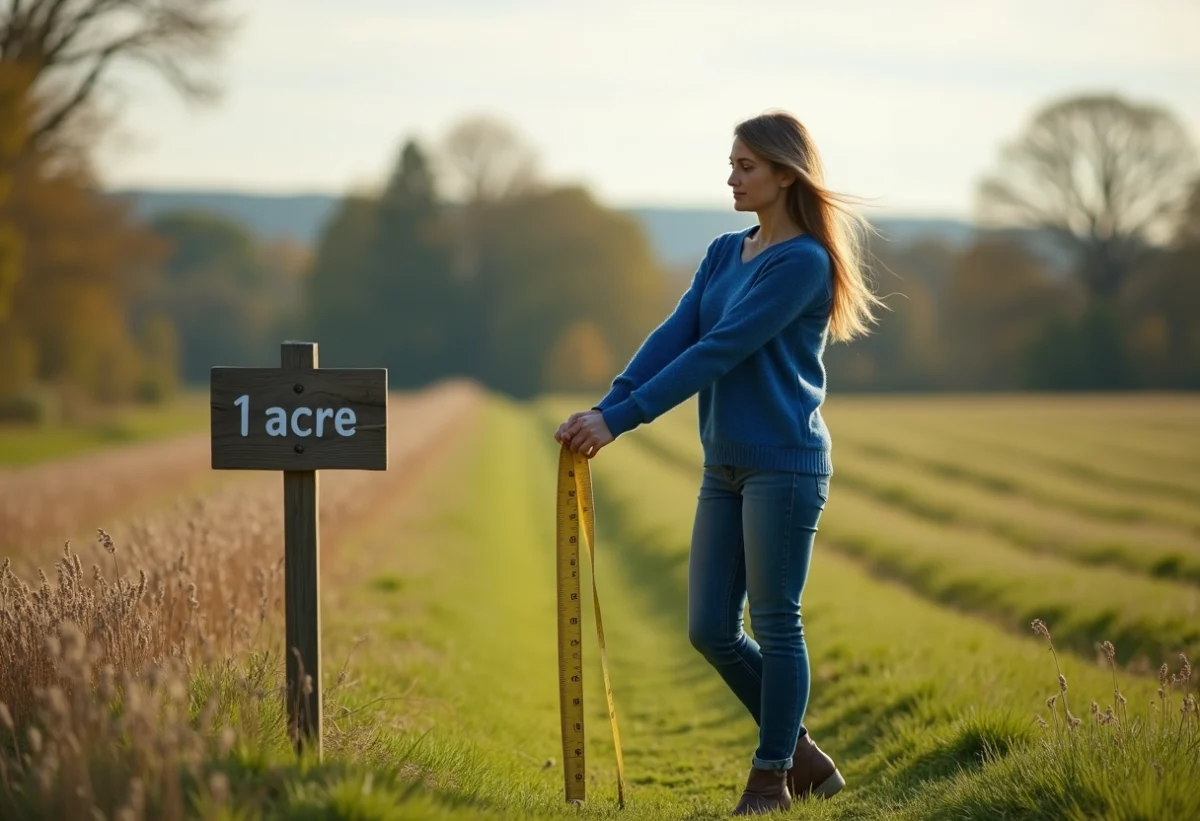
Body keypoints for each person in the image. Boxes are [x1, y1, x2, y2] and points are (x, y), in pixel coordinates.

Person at [554, 109, 884, 816]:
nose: (730, 176)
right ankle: (801, 755)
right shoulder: (722, 253)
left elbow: (718, 351)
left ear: (785, 174)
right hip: (725, 465)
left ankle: (770, 779)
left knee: (775, 620)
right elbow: (675, 335)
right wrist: (606, 403)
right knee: (708, 627)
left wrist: (620, 421)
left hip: (785, 465)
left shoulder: (802, 263)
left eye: (745, 165)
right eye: (731, 162)